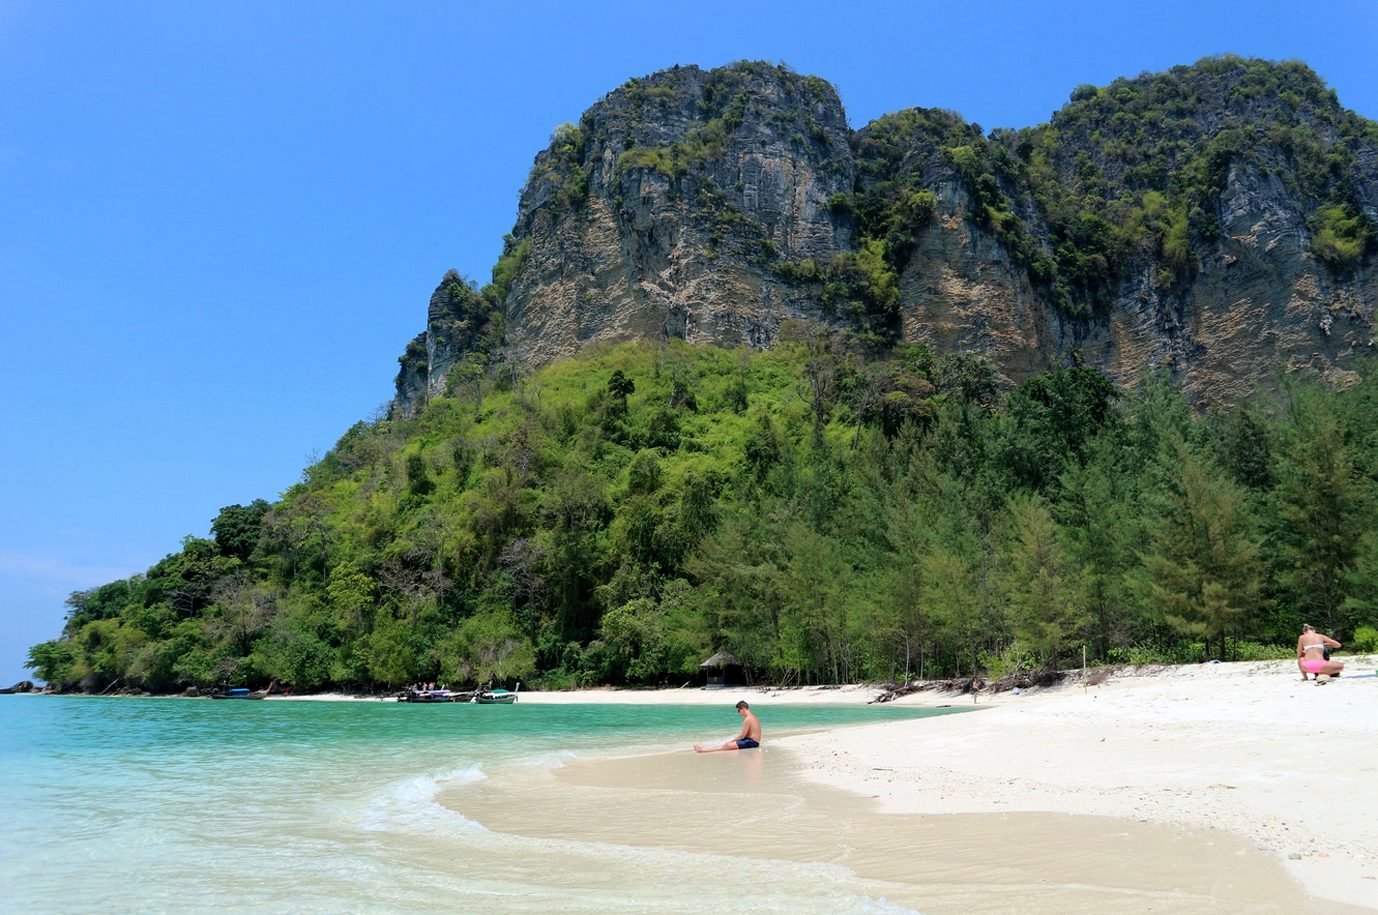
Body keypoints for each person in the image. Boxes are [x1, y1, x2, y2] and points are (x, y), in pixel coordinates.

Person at [694, 700, 762, 752]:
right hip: (753, 741)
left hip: (752, 742)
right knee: (728, 741)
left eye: (738, 710)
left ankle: (703, 750)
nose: (739, 713)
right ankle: (704, 748)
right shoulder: (754, 717)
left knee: (727, 744)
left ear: (743, 708)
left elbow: (742, 736)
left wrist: (732, 741)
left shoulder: (748, 719)